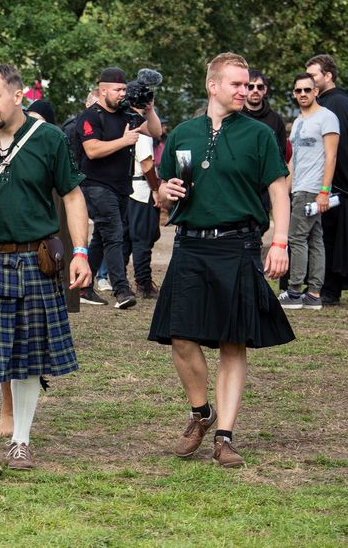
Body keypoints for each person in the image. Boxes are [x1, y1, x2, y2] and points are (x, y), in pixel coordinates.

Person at [0, 63, 92, 477]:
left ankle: (21, 442)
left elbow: (73, 196)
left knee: (28, 355)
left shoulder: (49, 139)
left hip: (35, 258)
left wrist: (80, 251)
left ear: (17, 95)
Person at [150, 52, 294, 468]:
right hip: (191, 244)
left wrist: (280, 242)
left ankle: (225, 436)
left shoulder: (258, 135)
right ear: (213, 86)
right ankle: (201, 413)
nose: (245, 91)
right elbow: (162, 193)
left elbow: (278, 190)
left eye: (248, 85)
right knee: (180, 336)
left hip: (239, 244)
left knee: (233, 341)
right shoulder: (183, 134)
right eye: (236, 84)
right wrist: (165, 193)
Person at [73, 67, 162, 309]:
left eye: (124, 89)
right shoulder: (90, 116)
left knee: (102, 237)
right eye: (117, 89)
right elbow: (91, 150)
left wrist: (149, 109)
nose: (122, 94)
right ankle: (122, 290)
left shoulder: (126, 114)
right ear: (103, 90)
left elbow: (155, 131)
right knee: (114, 233)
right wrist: (124, 141)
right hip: (95, 185)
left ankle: (84, 287)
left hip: (120, 187)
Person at [305, 55, 348, 305]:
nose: (309, 80)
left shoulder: (337, 103)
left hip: (334, 185)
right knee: (320, 235)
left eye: (313, 76)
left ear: (328, 76)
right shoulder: (325, 102)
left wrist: (326, 185)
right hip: (324, 182)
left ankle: (329, 290)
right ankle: (319, 287)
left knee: (329, 235)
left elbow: (335, 151)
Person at [278, 73, 339, 310]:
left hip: (312, 189)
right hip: (299, 188)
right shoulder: (299, 122)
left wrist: (324, 191)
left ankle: (294, 292)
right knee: (314, 240)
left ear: (316, 92)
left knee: (296, 238)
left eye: (307, 90)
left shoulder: (327, 118)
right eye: (298, 91)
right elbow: (293, 161)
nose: (302, 94)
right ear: (294, 94)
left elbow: (331, 157)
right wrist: (286, 190)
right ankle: (313, 294)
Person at [126, 131, 162, 298]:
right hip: (140, 189)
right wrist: (155, 188)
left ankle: (119, 282)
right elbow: (146, 162)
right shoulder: (142, 131)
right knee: (143, 238)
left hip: (125, 189)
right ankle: (143, 283)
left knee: (124, 239)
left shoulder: (120, 124)